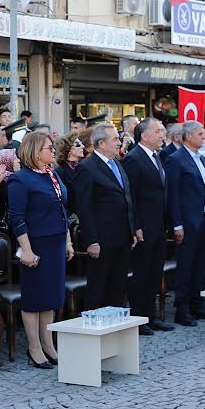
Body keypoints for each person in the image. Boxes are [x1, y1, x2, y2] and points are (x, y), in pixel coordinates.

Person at [8, 131, 73, 367]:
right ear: (34, 150)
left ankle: (49, 345)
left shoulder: (52, 174)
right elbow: (16, 217)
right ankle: (34, 348)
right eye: (49, 148)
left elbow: (62, 210)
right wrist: (25, 249)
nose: (53, 151)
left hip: (55, 242)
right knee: (35, 298)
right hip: (36, 244)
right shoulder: (20, 179)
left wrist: (67, 241)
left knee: (51, 297)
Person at [73, 123, 137, 310]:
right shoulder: (87, 167)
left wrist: (132, 229)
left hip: (123, 236)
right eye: (115, 139)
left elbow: (127, 198)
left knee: (118, 286)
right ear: (101, 143)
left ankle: (114, 331)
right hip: (102, 239)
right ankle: (93, 329)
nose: (120, 142)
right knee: (99, 286)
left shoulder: (117, 163)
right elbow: (84, 207)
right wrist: (92, 240)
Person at [123, 118, 173, 332]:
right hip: (144, 226)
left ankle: (152, 316)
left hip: (158, 225)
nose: (162, 135)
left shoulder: (156, 156)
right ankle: (139, 317)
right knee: (141, 273)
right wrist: (136, 226)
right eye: (158, 131)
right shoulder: (134, 158)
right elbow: (130, 196)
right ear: (144, 135)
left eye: (163, 131)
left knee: (154, 272)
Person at [165, 121, 205, 326]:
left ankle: (197, 303)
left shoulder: (201, 159)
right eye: (200, 133)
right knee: (186, 266)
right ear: (187, 137)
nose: (204, 136)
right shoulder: (175, 160)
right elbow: (173, 196)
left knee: (202, 265)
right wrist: (177, 224)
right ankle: (182, 308)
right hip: (188, 223)